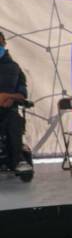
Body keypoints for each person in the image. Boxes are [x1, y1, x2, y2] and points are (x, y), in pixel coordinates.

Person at [0, 31, 32, 173]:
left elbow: (22, 94)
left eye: (0, 43)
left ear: (4, 44)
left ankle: (18, 160)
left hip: (8, 110)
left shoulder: (15, 68)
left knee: (15, 121)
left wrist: (10, 97)